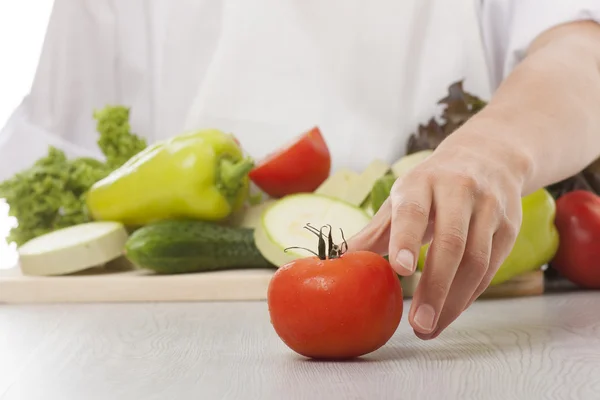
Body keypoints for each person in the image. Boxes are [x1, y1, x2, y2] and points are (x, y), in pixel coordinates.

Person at [0, 0, 599, 340]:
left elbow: (583, 49)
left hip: (453, 319)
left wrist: (488, 149)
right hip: (144, 332)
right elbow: (61, 147)